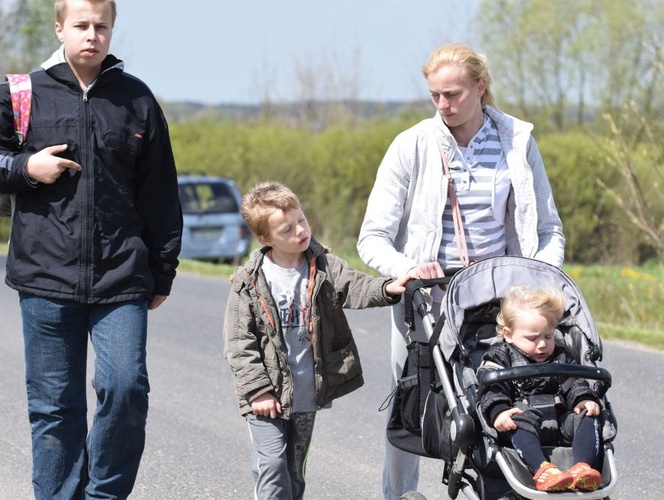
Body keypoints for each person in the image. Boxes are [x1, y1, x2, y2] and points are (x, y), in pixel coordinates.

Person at [356, 42, 565, 499]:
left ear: (481, 87)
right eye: (435, 95)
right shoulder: (412, 145)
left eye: (453, 94)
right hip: (429, 298)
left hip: (501, 297)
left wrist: (542, 280)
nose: (443, 105)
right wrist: (407, 268)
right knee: (410, 402)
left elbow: (548, 228)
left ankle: (511, 482)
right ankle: (399, 494)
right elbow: (372, 237)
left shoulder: (517, 142)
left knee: (505, 391)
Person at [0, 0, 182, 497]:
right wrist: (24, 169)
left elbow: (161, 193)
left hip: (121, 277)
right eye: (81, 25)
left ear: (112, 30)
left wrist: (162, 270)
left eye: (101, 26)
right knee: (55, 407)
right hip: (44, 277)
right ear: (60, 28)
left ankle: (103, 494)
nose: (91, 35)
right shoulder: (20, 94)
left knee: (125, 389)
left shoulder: (137, 100)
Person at [222, 181, 415, 500]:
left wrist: (387, 289)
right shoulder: (249, 281)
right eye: (287, 229)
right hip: (265, 395)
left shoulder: (323, 264)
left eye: (302, 220)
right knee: (271, 465)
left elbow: (353, 286)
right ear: (266, 238)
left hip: (307, 391)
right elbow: (238, 342)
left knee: (293, 470)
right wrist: (257, 390)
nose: (300, 230)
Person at [478, 285, 602, 492]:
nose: (542, 345)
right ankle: (543, 471)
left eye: (548, 336)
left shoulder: (561, 355)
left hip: (561, 420)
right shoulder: (499, 356)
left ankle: (581, 468)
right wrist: (499, 412)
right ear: (508, 334)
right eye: (532, 338)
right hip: (522, 420)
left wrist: (582, 399)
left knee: (588, 416)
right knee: (516, 421)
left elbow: (573, 382)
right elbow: (492, 389)